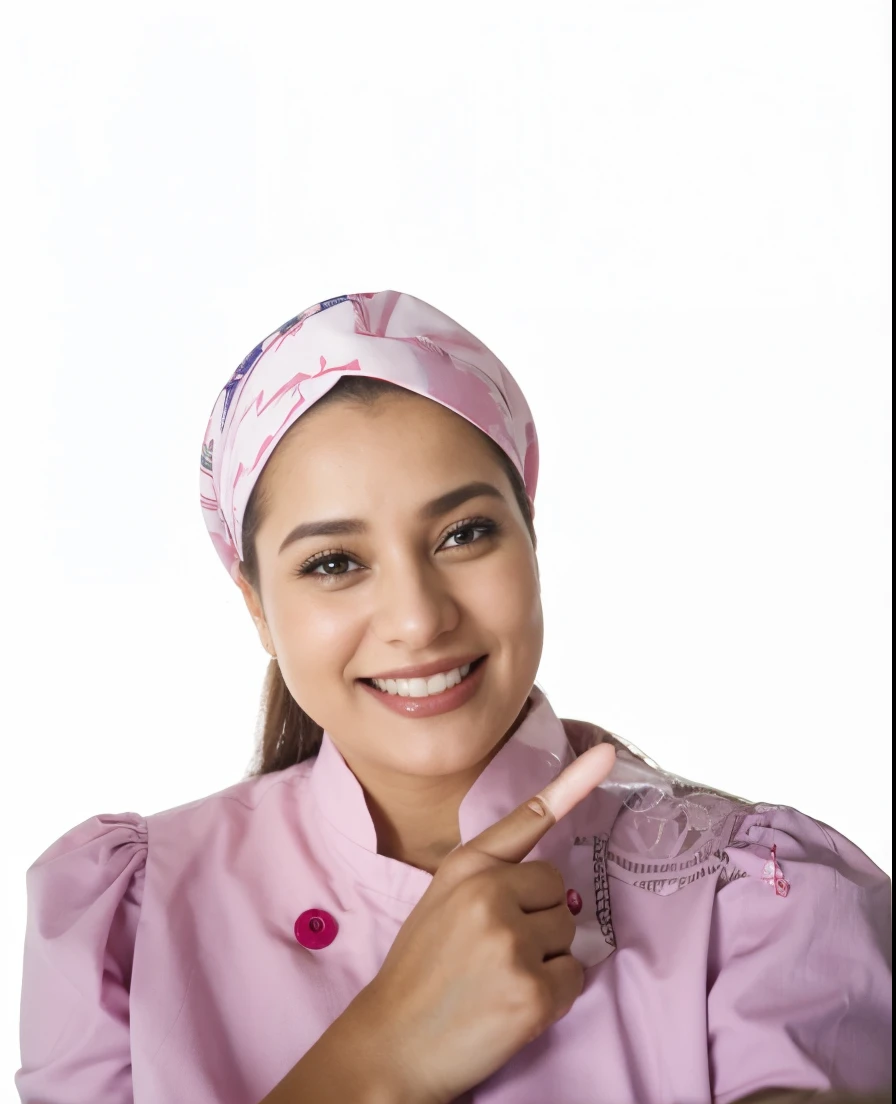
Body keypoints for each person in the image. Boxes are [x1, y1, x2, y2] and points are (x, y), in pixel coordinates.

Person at [15, 291, 891, 1104]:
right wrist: (382, 1056)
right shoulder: (124, 925)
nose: (417, 619)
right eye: (333, 562)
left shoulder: (761, 907)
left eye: (465, 533)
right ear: (258, 608)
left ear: (531, 538)